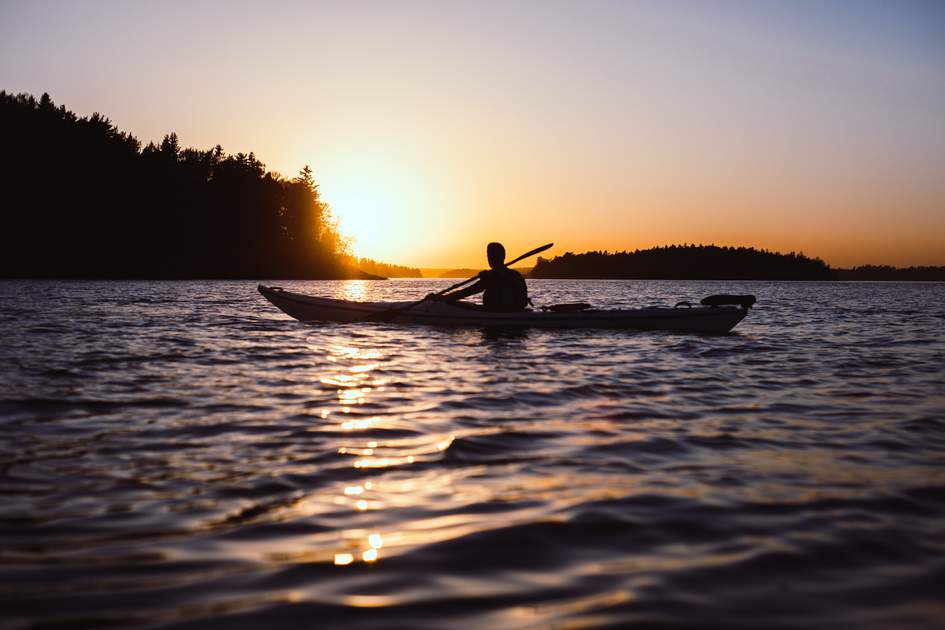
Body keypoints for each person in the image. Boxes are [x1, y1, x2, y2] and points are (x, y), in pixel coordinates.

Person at [435, 242, 529, 311]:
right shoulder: (514, 274)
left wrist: (442, 299)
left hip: (496, 311)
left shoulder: (492, 276)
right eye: (488, 255)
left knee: (450, 303)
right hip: (510, 310)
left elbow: (469, 291)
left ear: (500, 257)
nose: (489, 258)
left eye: (491, 255)